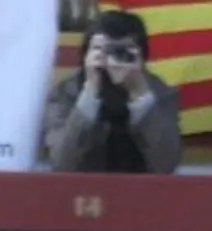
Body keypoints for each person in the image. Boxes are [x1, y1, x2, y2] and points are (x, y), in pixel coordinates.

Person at [42, 9, 182, 174]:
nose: (111, 60)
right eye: (101, 50)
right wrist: (90, 93)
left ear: (142, 58)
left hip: (140, 191)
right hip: (82, 193)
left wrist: (140, 95)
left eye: (121, 51)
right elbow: (63, 164)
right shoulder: (65, 93)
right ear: (85, 55)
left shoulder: (160, 92)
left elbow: (167, 164)